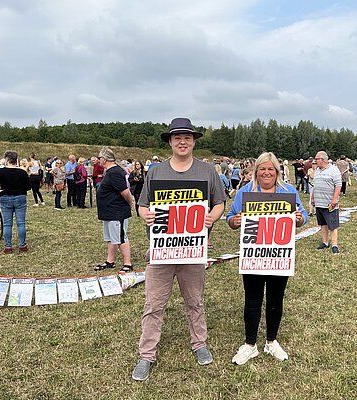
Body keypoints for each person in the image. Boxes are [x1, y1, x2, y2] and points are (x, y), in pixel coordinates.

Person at [132, 117, 225, 381]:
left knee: (194, 301)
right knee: (154, 304)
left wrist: (212, 217)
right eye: (177, 138)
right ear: (170, 142)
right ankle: (146, 355)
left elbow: (219, 203)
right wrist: (145, 215)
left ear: (193, 141)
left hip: (193, 250)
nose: (182, 142)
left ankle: (200, 343)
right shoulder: (156, 172)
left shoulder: (207, 171)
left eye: (187, 137)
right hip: (161, 251)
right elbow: (142, 205)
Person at [226, 152, 307, 365]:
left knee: (275, 299)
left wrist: (299, 219)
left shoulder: (288, 191)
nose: (266, 172)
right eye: (262, 168)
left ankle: (271, 341)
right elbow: (230, 219)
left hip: (279, 255)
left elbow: (303, 216)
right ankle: (250, 344)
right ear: (256, 171)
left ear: (277, 171)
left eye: (271, 169)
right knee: (252, 299)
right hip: (253, 255)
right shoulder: (245, 192)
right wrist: (235, 221)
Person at [94, 147, 133, 272]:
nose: (99, 160)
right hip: (109, 213)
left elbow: (126, 193)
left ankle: (128, 263)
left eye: (100, 158)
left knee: (121, 238)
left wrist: (130, 204)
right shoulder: (110, 171)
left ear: (104, 159)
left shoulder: (115, 172)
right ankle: (110, 261)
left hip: (117, 212)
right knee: (111, 238)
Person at [0, 151, 31, 253]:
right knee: (21, 223)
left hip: (5, 197)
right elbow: (28, 187)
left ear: (6, 160)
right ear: (16, 160)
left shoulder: (0, 171)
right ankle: (22, 245)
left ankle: (8, 247)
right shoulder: (22, 172)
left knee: (7, 224)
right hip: (20, 197)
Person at [311, 151, 342, 254]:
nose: (315, 161)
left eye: (317, 159)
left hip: (329, 203)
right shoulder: (317, 171)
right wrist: (313, 198)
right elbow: (315, 185)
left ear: (323, 160)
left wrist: (334, 199)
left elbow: (338, 185)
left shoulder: (333, 169)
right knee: (323, 224)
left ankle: (334, 245)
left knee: (332, 225)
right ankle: (325, 242)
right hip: (319, 202)